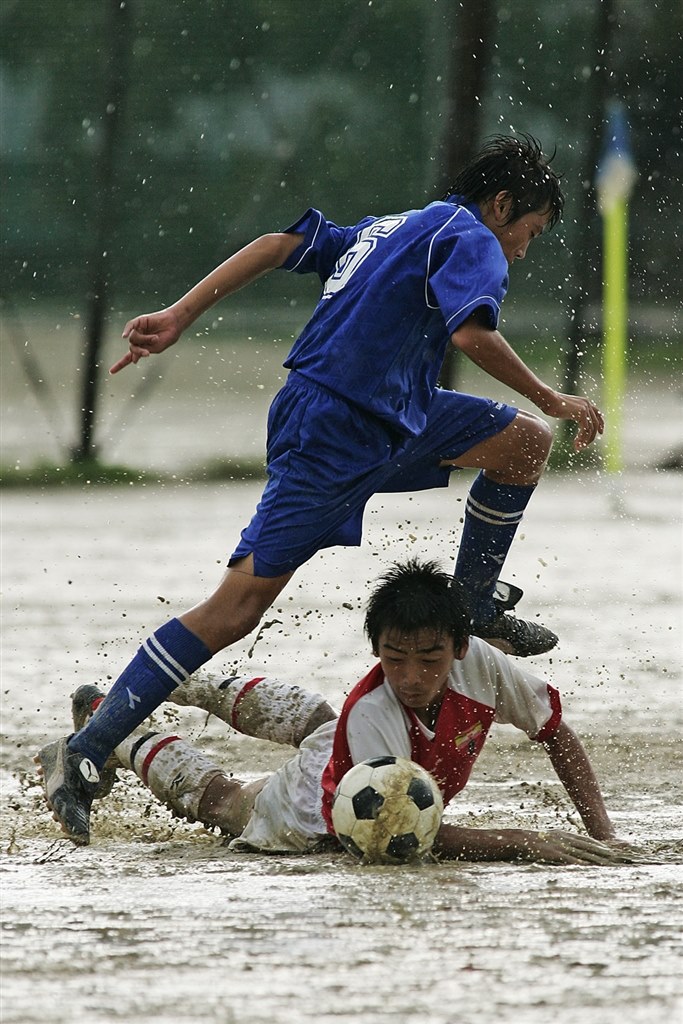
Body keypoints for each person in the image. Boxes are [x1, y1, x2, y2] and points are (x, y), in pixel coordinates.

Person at [36, 134, 604, 846]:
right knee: (235, 608)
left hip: (385, 415)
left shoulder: (389, 227)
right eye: (528, 232)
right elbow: (470, 337)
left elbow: (277, 245)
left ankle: (471, 601)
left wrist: (180, 314)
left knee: (519, 446)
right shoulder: (473, 239)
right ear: (501, 206)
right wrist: (552, 394)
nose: (521, 249)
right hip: (337, 430)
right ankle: (86, 749)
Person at [49, 560, 629, 866]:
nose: (411, 676)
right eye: (393, 659)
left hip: (351, 753)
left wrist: (603, 833)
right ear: (376, 650)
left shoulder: (485, 665)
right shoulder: (373, 712)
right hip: (316, 820)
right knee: (226, 800)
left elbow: (557, 732)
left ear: (459, 646)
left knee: (317, 719)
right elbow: (394, 832)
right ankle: (116, 724)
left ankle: (181, 682)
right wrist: (517, 841)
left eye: (428, 659)